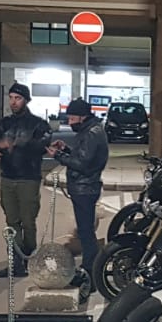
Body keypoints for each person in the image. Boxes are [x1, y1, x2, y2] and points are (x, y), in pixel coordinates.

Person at [0, 82, 51, 278]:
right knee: (11, 223)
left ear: (26, 100)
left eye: (18, 98)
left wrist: (15, 143)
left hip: (28, 179)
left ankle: (29, 260)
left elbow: (42, 145)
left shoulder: (38, 124)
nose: (13, 102)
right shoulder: (2, 124)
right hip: (7, 178)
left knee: (28, 222)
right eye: (11, 98)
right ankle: (14, 263)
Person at [46, 97, 109, 274]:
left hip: (85, 187)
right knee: (85, 230)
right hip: (85, 186)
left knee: (85, 231)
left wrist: (58, 155)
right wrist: (66, 149)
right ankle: (92, 265)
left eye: (72, 118)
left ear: (83, 117)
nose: (70, 122)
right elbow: (83, 155)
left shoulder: (91, 133)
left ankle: (91, 267)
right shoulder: (90, 130)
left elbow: (81, 163)